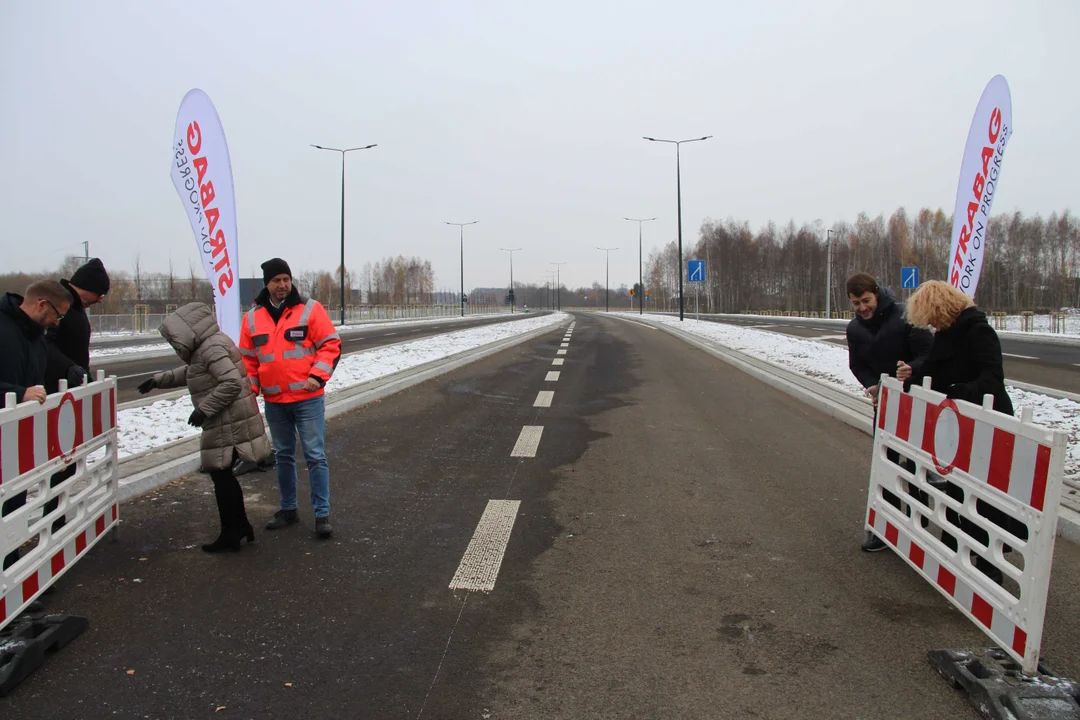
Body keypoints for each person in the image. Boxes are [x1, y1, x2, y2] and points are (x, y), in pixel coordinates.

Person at [897, 280, 1019, 584]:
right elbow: (935, 372)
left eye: (931, 318)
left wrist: (963, 391)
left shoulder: (979, 331)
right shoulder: (945, 334)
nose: (931, 326)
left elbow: (993, 377)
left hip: (988, 422)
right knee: (959, 490)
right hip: (960, 423)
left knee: (985, 496)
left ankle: (988, 562)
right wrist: (915, 379)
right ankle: (956, 550)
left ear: (941, 309)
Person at [137, 303, 271, 553]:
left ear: (188, 331)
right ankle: (240, 526)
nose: (175, 345)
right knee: (223, 475)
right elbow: (194, 372)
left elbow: (230, 383)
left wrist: (203, 409)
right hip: (228, 419)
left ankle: (232, 532)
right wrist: (158, 380)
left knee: (221, 474)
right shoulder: (208, 346)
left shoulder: (211, 348)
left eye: (175, 339)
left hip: (227, 421)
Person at [239, 258, 342, 539]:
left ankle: (322, 515)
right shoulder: (252, 318)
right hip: (275, 402)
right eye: (276, 280)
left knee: (315, 456)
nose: (282, 285)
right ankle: (288, 510)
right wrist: (251, 390)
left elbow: (331, 345)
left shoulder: (310, 310)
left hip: (307, 398)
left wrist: (317, 377)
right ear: (267, 284)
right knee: (283, 456)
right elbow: (248, 361)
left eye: (286, 279)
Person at [845, 272, 932, 552]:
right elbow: (857, 365)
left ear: (877, 293)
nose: (862, 308)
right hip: (885, 403)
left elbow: (930, 354)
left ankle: (921, 514)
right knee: (885, 463)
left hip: (917, 400)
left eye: (866, 301)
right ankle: (886, 528)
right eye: (856, 304)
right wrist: (871, 384)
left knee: (919, 462)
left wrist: (913, 369)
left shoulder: (906, 315)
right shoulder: (854, 329)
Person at [1, 280, 71, 570]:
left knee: (14, 509)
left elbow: (40, 383)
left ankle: (12, 578)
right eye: (58, 314)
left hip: (17, 443)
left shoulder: (35, 337)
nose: (57, 322)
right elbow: (27, 389)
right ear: (42, 304)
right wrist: (19, 393)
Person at [42, 258, 111, 533]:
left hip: (69, 391)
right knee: (59, 461)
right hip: (54, 392)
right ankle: (52, 520)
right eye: (99, 294)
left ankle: (57, 517)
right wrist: (69, 368)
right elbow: (46, 345)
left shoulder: (74, 307)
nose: (100, 300)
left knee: (67, 460)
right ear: (87, 288)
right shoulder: (60, 304)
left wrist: (82, 370)